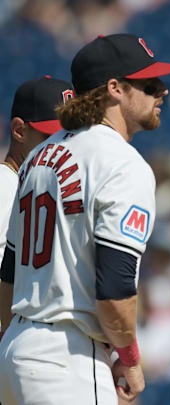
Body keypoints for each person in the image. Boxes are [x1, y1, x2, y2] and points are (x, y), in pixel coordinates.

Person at [0, 33, 170, 404]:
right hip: (69, 357)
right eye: (148, 83)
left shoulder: (40, 156)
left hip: (17, 347)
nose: (161, 90)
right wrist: (130, 360)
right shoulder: (122, 163)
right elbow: (114, 288)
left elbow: (8, 273)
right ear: (115, 88)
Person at [0, 76, 74, 337]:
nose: (63, 145)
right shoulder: (5, 185)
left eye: (71, 135)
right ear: (19, 130)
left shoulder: (39, 186)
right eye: (52, 135)